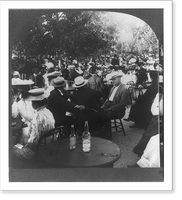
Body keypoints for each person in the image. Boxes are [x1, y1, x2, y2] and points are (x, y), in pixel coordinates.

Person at [13, 88, 55, 160]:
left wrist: (24, 146)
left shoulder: (37, 116)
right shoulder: (48, 111)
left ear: (35, 103)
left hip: (38, 149)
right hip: (49, 143)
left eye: (32, 102)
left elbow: (34, 140)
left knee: (12, 151)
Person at [128, 90, 163, 167]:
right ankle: (142, 161)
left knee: (151, 137)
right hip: (157, 116)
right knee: (151, 137)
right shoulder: (159, 93)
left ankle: (142, 160)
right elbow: (154, 109)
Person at [102, 71, 129, 138]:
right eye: (112, 80)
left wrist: (109, 109)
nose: (112, 81)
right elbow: (108, 99)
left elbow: (122, 104)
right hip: (110, 105)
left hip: (118, 110)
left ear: (119, 78)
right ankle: (102, 132)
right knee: (98, 113)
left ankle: (108, 135)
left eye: (114, 79)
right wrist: (103, 105)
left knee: (106, 116)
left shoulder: (124, 88)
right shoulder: (113, 87)